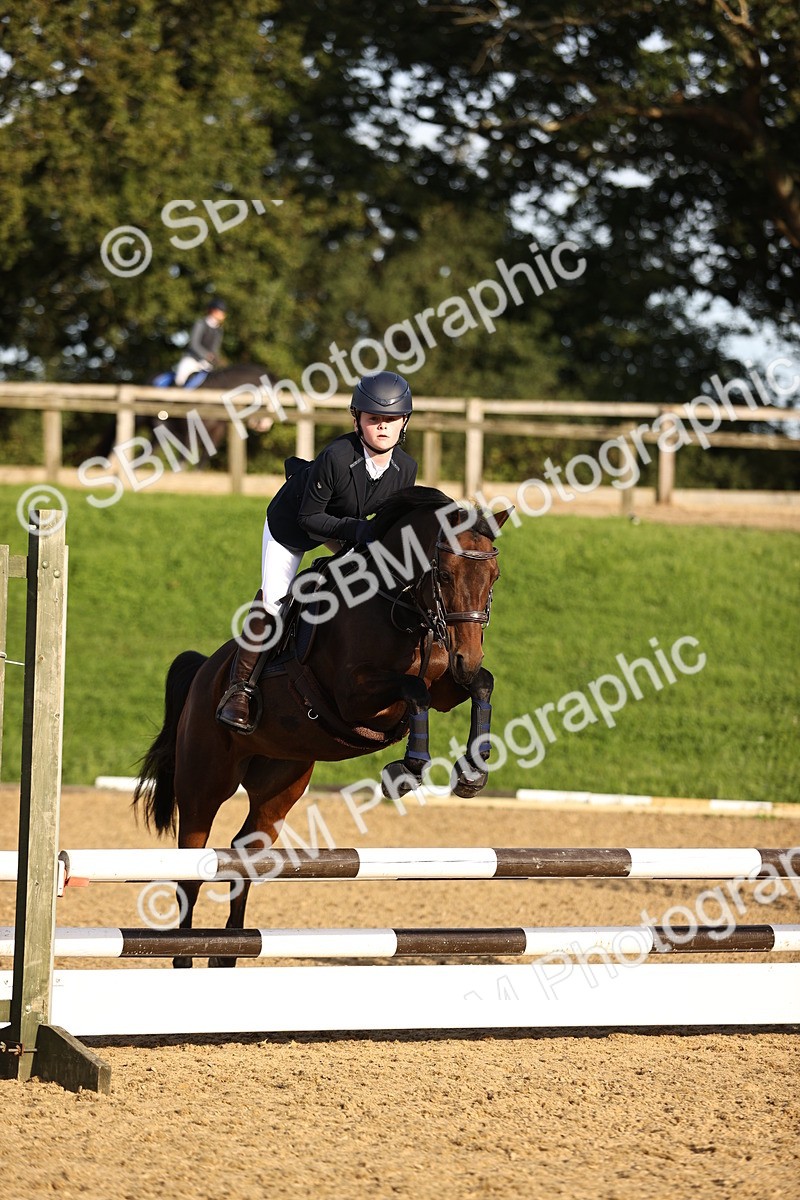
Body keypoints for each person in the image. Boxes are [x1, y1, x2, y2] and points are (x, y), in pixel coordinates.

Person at [216, 370, 417, 732]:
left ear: (404, 422)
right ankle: (240, 690)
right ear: (357, 420)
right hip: (293, 525)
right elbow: (310, 519)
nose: (382, 427)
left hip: (345, 527)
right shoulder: (337, 456)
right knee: (275, 600)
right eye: (374, 418)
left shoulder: (406, 468)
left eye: (391, 419)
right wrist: (357, 530)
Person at [174, 299, 227, 386]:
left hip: (206, 363)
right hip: (191, 359)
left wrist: (217, 359)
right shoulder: (200, 323)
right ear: (213, 311)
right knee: (179, 379)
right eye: (221, 312)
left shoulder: (219, 330)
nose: (223, 315)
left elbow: (215, 349)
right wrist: (206, 355)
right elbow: (194, 344)